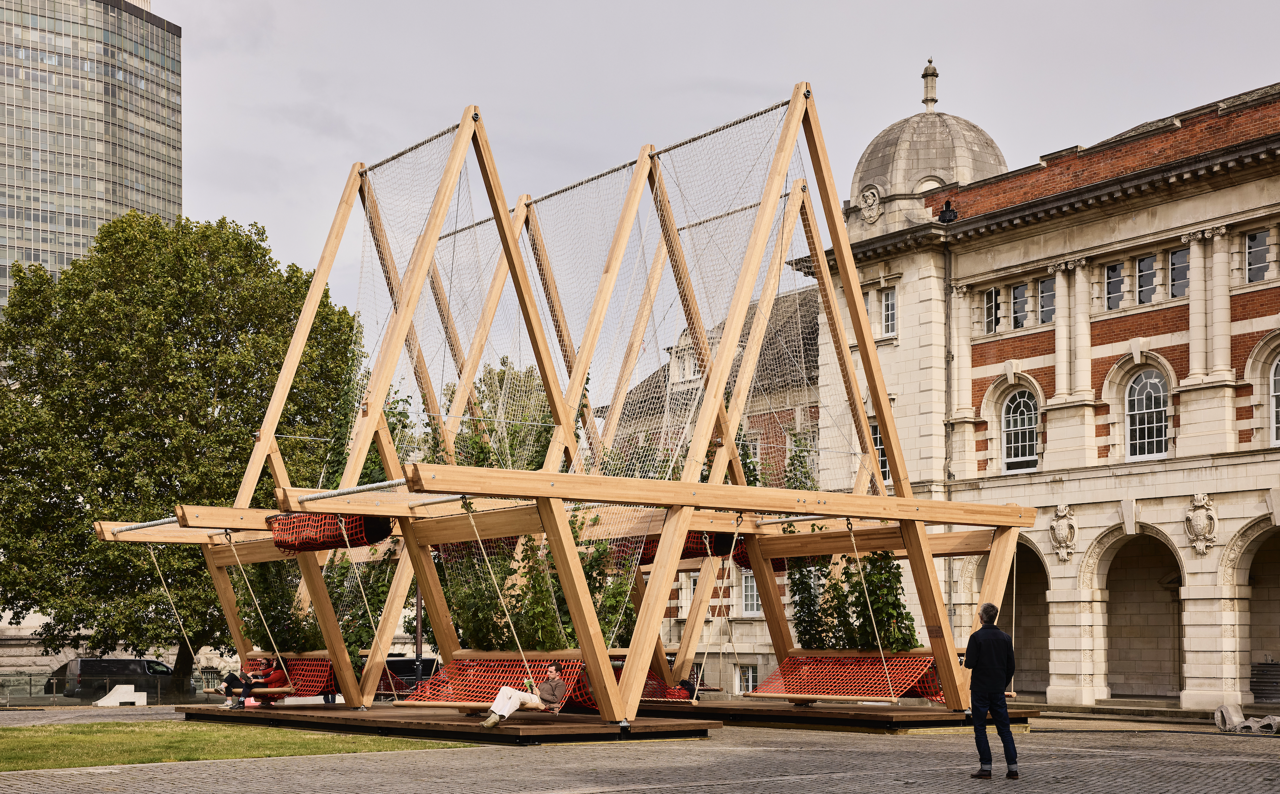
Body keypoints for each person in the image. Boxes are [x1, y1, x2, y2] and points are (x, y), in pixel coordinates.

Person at [965, 602, 1019, 780]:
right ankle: (1012, 769)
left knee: (980, 729)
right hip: (997, 689)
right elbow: (1011, 666)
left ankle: (986, 768)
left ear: (981, 617)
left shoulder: (976, 637)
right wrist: (1002, 684)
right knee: (1005, 730)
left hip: (980, 689)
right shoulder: (1005, 638)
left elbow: (969, 664)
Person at [479, 662, 566, 728]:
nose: (548, 673)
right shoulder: (546, 682)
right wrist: (531, 691)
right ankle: (494, 715)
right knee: (505, 689)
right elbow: (537, 692)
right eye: (548, 671)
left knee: (517, 696)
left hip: (541, 701)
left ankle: (499, 717)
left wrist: (539, 693)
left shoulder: (560, 684)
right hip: (534, 696)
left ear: (558, 673)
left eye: (551, 672)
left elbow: (556, 699)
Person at [218, 657, 289, 710]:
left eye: (275, 661)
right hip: (266, 685)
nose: (274, 662)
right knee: (246, 682)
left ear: (278, 663)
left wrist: (255, 680)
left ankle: (241, 702)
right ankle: (240, 702)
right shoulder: (274, 669)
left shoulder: (280, 672)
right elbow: (263, 672)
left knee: (249, 683)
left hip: (269, 687)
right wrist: (252, 673)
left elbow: (269, 680)